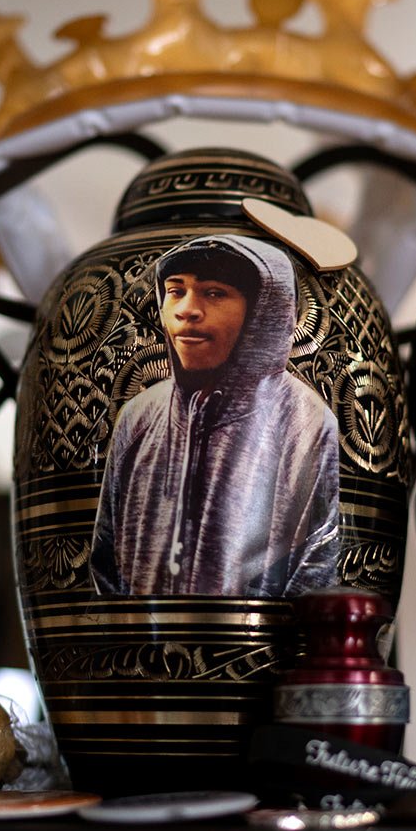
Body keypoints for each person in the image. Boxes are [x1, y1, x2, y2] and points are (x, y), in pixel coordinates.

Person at [91, 235, 341, 597]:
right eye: (176, 291)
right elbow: (105, 562)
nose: (186, 310)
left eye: (214, 293)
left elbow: (318, 568)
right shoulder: (139, 418)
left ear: (262, 312)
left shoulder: (306, 424)